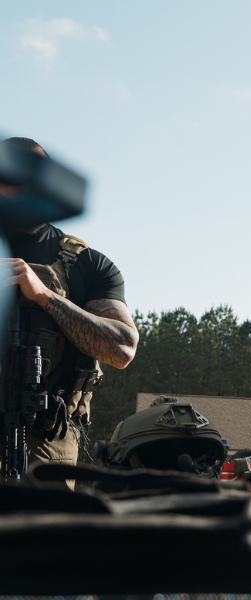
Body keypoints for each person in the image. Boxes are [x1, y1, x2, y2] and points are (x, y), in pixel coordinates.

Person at [1, 137, 139, 488]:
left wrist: (45, 295)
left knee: (45, 541)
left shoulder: (86, 265)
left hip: (47, 444)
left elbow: (122, 349)